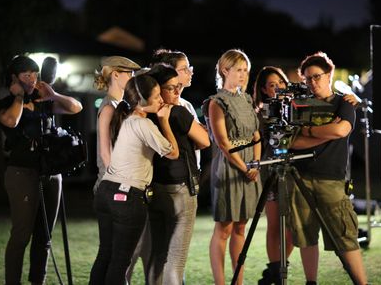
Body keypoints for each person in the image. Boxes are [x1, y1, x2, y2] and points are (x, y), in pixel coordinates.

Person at [0, 55, 83, 285]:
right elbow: (11, 122)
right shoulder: (7, 104)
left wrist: (53, 94)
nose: (33, 79)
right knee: (21, 235)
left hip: (51, 173)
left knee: (44, 236)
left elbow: (76, 107)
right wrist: (18, 95)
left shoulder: (44, 100)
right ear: (14, 78)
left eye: (35, 74)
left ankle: (39, 281)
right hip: (22, 173)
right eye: (27, 75)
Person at [89, 74, 179, 285]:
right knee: (120, 261)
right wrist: (165, 121)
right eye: (156, 96)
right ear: (141, 99)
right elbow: (173, 152)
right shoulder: (142, 124)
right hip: (127, 197)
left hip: (105, 192)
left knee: (105, 255)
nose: (161, 101)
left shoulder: (127, 119)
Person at [288, 52, 367, 285]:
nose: (312, 82)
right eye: (307, 79)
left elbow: (342, 130)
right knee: (305, 235)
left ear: (329, 74)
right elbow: (291, 142)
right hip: (299, 178)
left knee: (344, 235)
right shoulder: (300, 105)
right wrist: (325, 132)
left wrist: (308, 131)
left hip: (331, 179)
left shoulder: (344, 102)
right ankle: (310, 282)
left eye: (317, 76)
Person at [146, 64, 210, 284]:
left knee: (157, 254)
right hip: (180, 187)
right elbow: (204, 141)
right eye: (171, 87)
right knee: (176, 259)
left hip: (153, 187)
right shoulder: (178, 112)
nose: (177, 92)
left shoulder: (144, 114)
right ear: (158, 89)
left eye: (179, 87)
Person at [203, 49, 262, 285]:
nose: (243, 75)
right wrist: (244, 166)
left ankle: (238, 281)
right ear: (225, 71)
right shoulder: (217, 103)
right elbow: (224, 143)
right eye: (238, 70)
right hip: (230, 167)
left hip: (251, 166)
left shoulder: (247, 99)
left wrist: (255, 164)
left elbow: (257, 135)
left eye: (246, 70)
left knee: (241, 228)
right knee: (224, 228)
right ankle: (220, 282)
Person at [252, 66, 295, 285]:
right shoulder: (259, 113)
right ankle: (277, 272)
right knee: (274, 226)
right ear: (263, 90)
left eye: (281, 82)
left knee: (292, 229)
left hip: (294, 172)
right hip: (271, 172)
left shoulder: (296, 106)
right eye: (272, 84)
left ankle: (275, 270)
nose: (278, 87)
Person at [93, 55, 141, 194]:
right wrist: (118, 183)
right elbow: (105, 152)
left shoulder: (118, 104)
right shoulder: (109, 106)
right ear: (115, 75)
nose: (133, 78)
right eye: (129, 73)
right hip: (111, 183)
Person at [149, 48, 201, 169]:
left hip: (192, 168)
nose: (190, 72)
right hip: (173, 174)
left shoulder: (186, 104)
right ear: (170, 72)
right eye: (184, 69)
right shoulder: (161, 106)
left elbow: (202, 140)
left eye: (190, 68)